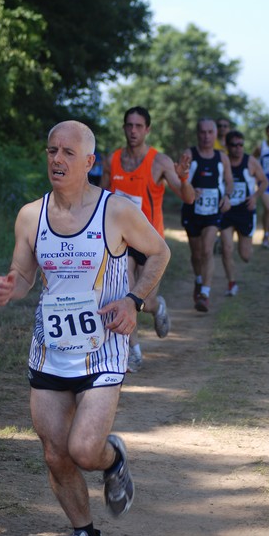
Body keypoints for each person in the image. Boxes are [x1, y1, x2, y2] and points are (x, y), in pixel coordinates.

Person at [0, 120, 170, 536]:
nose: (57, 159)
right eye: (52, 150)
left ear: (90, 162)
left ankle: (112, 458)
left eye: (68, 152)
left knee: (84, 450)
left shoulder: (117, 210)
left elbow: (160, 252)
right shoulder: (31, 214)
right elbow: (25, 274)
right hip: (51, 345)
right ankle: (84, 535)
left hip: (103, 343)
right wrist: (9, 287)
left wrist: (134, 300)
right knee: (55, 452)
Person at [101, 106, 194, 371]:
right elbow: (103, 199)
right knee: (125, 293)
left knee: (145, 301)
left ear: (148, 129)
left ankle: (157, 306)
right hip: (121, 242)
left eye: (138, 126)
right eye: (129, 125)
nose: (133, 131)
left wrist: (184, 177)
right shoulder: (113, 160)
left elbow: (188, 198)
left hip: (151, 244)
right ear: (124, 128)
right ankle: (134, 352)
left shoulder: (160, 162)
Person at [181, 118, 234, 312]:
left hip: (213, 212)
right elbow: (179, 179)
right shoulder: (189, 154)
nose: (206, 136)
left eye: (210, 132)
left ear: (216, 134)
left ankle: (205, 293)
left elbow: (229, 182)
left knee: (207, 250)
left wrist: (227, 197)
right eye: (202, 132)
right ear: (198, 134)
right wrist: (189, 188)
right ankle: (198, 279)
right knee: (196, 254)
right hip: (192, 211)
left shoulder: (222, 158)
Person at [221, 130, 269, 295]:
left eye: (241, 144)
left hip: (245, 211)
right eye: (234, 145)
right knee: (226, 248)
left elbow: (264, 181)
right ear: (227, 146)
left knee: (245, 255)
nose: (238, 148)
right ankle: (231, 283)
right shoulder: (222, 160)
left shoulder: (251, 161)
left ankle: (247, 246)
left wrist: (255, 197)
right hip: (227, 211)